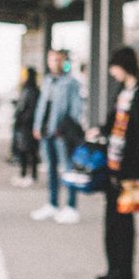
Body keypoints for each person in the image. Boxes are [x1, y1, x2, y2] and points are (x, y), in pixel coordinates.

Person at [86, 47, 139, 279]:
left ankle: (124, 272)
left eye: (114, 67)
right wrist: (100, 131)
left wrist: (135, 170)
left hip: (127, 167)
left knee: (123, 221)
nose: (112, 72)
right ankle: (113, 268)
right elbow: (113, 123)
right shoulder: (122, 91)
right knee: (111, 220)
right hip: (111, 163)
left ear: (123, 65)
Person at [31, 49, 83, 224]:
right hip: (47, 132)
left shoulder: (71, 83)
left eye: (59, 60)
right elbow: (41, 106)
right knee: (51, 168)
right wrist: (37, 126)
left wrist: (67, 129)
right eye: (53, 59)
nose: (56, 63)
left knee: (68, 168)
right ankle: (52, 203)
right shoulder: (47, 81)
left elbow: (75, 109)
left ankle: (71, 206)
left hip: (62, 133)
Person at [12, 66, 41, 186]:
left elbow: (24, 108)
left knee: (26, 150)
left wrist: (21, 119)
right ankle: (29, 175)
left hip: (26, 125)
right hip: (29, 124)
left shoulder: (28, 91)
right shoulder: (35, 90)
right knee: (31, 150)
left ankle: (26, 174)